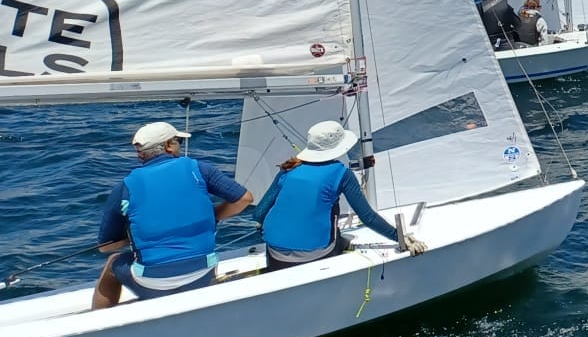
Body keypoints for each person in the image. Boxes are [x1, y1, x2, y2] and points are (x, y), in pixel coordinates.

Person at [93, 122, 255, 308]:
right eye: (177, 141)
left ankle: (99, 320)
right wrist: (213, 216)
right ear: (169, 146)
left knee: (113, 262)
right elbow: (244, 199)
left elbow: (105, 247)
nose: (180, 145)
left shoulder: (125, 187)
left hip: (153, 283)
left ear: (140, 153)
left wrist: (134, 237)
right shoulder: (200, 169)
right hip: (203, 273)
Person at [249, 121, 425, 270]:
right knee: (338, 227)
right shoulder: (341, 173)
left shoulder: (288, 169)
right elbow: (367, 217)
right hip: (314, 253)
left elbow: (258, 214)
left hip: (275, 254)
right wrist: (400, 238)